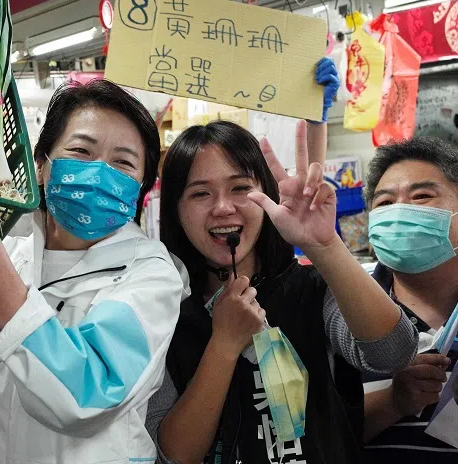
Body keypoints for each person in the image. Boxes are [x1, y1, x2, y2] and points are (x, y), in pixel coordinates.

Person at [0, 80, 189, 463]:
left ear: (139, 189)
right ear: (41, 165)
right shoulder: (9, 241)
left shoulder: (150, 275)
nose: (98, 173)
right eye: (80, 151)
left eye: (122, 163)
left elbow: (85, 394)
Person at [147, 119, 418, 464]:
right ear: (175, 210)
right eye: (200, 193)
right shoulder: (163, 314)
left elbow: (394, 354)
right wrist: (224, 344)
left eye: (241, 188)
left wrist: (324, 245)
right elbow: (172, 455)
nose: (223, 207)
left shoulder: (312, 290)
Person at [362, 136, 458, 462]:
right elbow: (308, 435)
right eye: (385, 204)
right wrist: (392, 402)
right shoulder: (340, 314)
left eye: (421, 196)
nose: (401, 211)